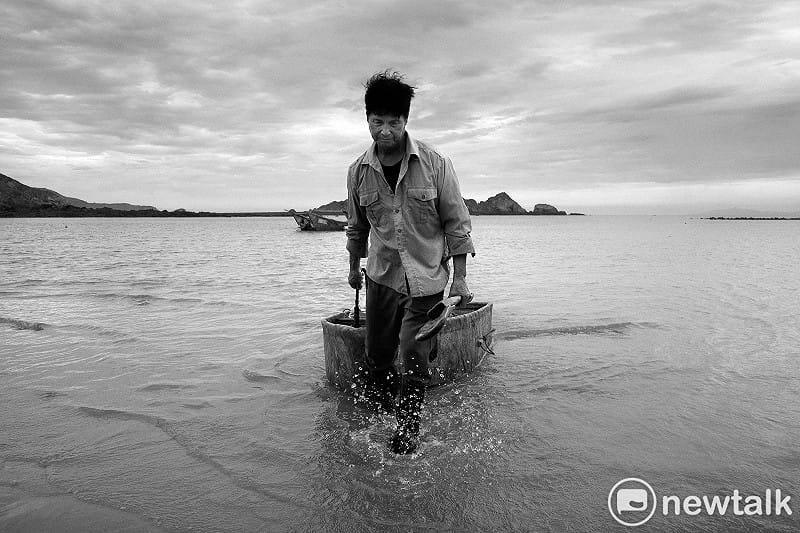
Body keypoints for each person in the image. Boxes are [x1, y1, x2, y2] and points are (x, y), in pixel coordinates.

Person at [346, 71, 475, 454]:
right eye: (378, 122)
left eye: (394, 122)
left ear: (405, 121)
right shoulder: (358, 171)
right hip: (381, 278)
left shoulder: (435, 163)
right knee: (378, 356)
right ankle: (384, 411)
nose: (385, 131)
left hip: (427, 279)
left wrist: (461, 280)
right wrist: (354, 269)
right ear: (367, 119)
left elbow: (457, 223)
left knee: (413, 351)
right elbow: (357, 228)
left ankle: (408, 432)